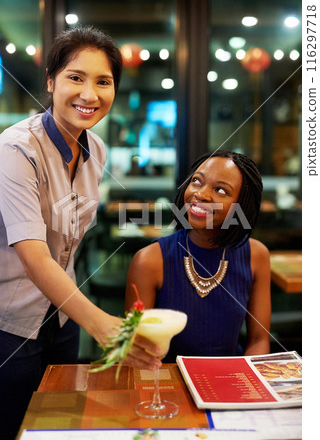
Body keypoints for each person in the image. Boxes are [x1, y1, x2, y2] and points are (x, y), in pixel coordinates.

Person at [0, 26, 160, 439]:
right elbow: (33, 252)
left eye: (103, 81)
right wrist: (102, 325)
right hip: (10, 323)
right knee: (14, 426)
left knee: (61, 426)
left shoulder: (97, 150)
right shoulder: (16, 149)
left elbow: (69, 240)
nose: (89, 94)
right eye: (76, 77)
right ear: (50, 81)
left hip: (63, 316)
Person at [125, 150, 271, 362]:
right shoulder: (149, 260)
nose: (201, 194)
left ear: (242, 205)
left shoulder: (256, 255)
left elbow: (259, 340)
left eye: (220, 190)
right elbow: (135, 348)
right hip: (167, 384)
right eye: (196, 181)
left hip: (230, 379)